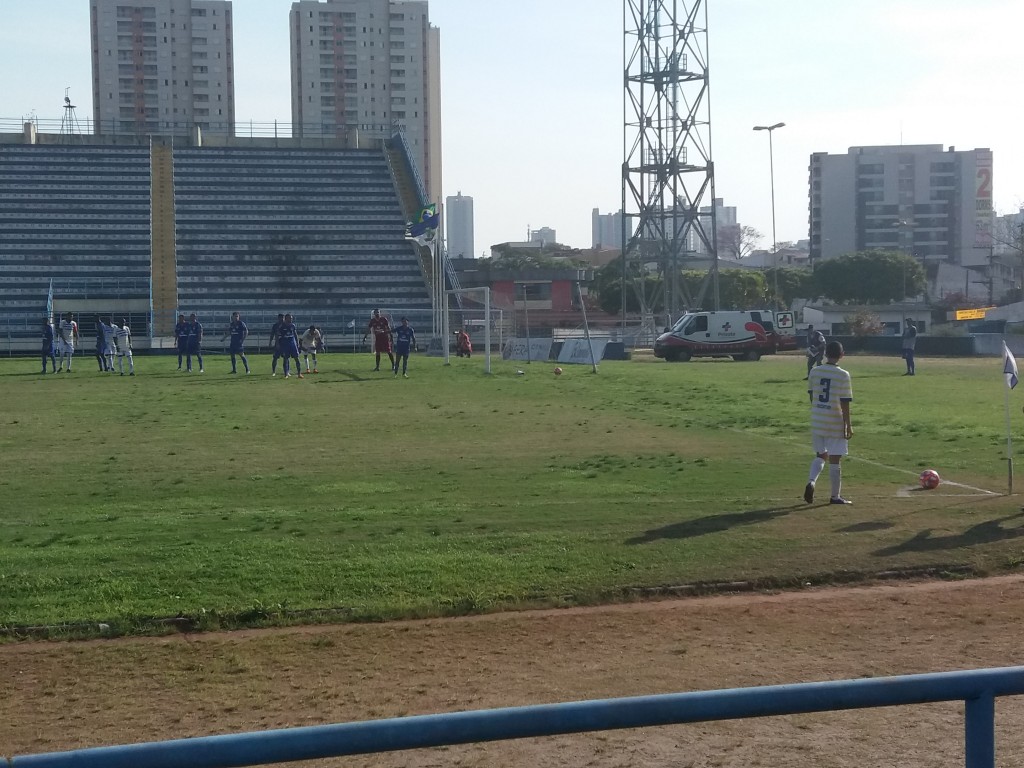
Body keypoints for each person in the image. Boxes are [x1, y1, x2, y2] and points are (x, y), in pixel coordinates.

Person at [804, 340, 854, 506]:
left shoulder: (815, 371)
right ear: (842, 355)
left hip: (818, 419)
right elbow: (845, 402)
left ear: (825, 354)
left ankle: (811, 481)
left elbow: (812, 395)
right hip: (834, 420)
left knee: (821, 455)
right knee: (835, 459)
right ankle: (835, 496)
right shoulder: (843, 375)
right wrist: (848, 424)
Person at [278, 313, 303, 378]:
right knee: (285, 358)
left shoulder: (293, 325)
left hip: (292, 343)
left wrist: (297, 343)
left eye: (292, 318)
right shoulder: (282, 326)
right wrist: (278, 344)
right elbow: (278, 336)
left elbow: (295, 334)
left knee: (297, 358)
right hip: (285, 343)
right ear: (286, 318)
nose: (291, 319)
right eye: (290, 318)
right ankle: (286, 374)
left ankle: (299, 373)